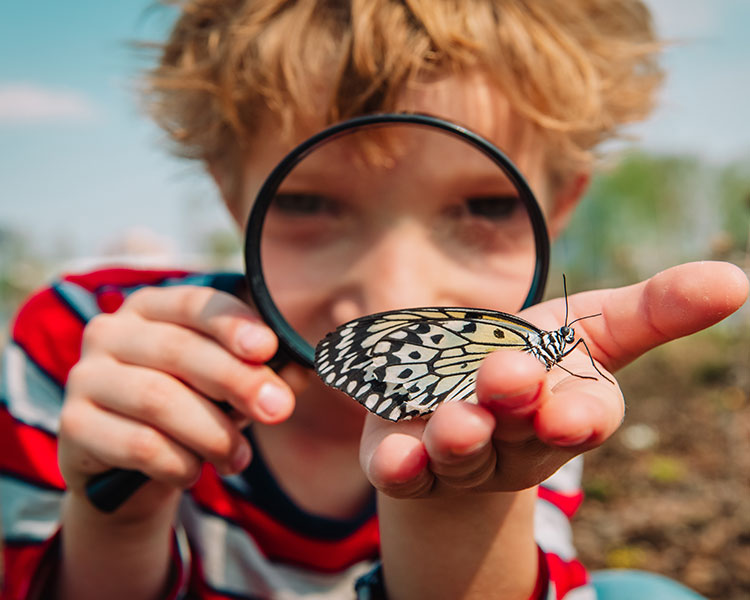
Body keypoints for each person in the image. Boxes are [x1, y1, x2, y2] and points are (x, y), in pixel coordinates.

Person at [1, 1, 747, 599]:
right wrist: (116, 521)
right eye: (307, 203)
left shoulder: (529, 389)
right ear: (235, 201)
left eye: (484, 208)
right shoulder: (89, 338)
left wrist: (461, 503)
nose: (393, 290)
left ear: (558, 209)